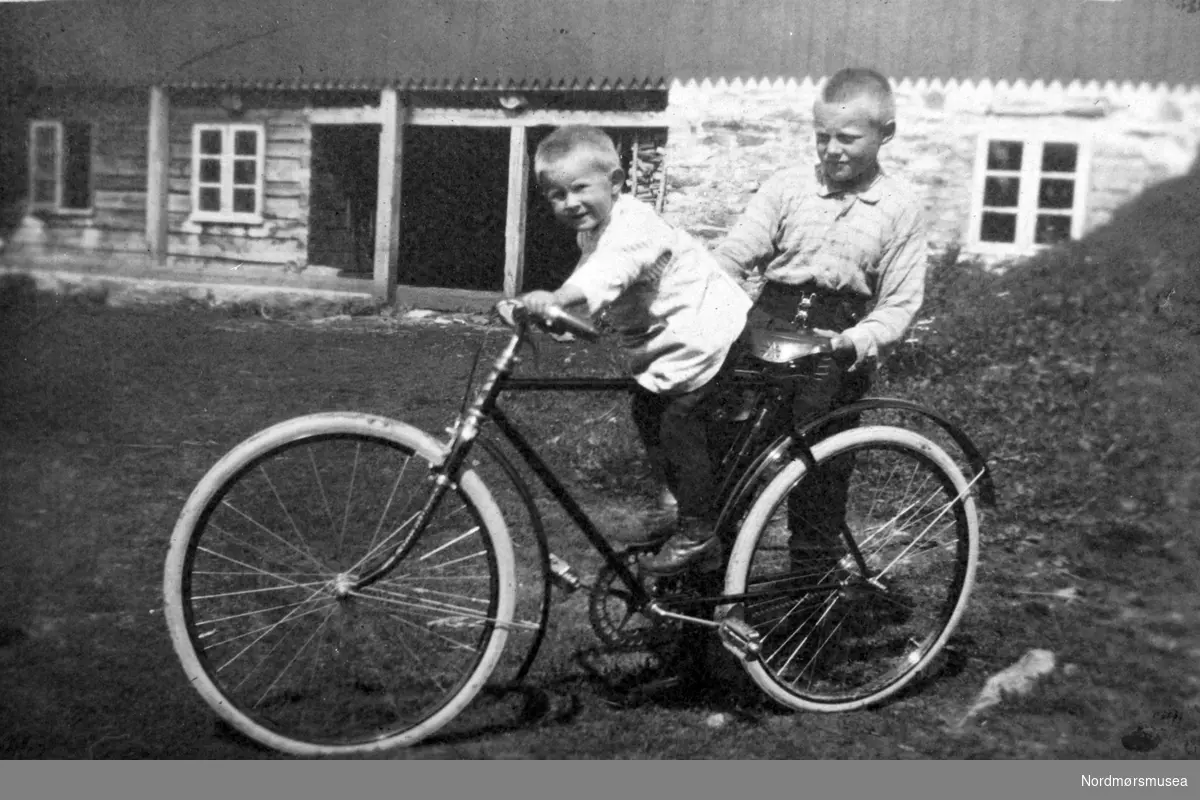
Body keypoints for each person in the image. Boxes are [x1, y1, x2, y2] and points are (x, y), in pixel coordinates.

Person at [711, 67, 929, 572]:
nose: (832, 150)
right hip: (765, 332)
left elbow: (898, 305)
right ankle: (707, 606)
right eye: (822, 136)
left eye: (848, 138)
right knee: (729, 469)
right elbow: (737, 249)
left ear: (885, 135)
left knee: (817, 481)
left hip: (833, 350)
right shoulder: (789, 187)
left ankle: (808, 617)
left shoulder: (899, 208)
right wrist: (710, 288)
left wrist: (853, 342)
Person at [518, 125, 751, 577]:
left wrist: (558, 297)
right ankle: (675, 503)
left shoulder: (635, 224)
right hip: (673, 342)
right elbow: (595, 278)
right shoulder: (592, 233)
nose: (570, 203)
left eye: (580, 188)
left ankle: (699, 531)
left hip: (709, 332)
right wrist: (565, 315)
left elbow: (610, 270)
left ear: (618, 182)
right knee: (646, 410)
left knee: (681, 420)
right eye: (556, 195)